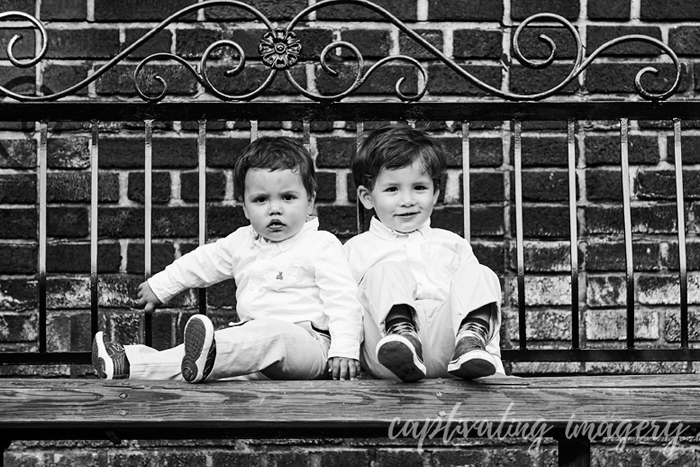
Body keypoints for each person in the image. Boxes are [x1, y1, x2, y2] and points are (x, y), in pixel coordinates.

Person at [92, 136, 363, 382]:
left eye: (288, 197)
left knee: (267, 334)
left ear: (310, 201)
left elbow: (343, 300)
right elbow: (203, 262)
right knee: (207, 352)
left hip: (308, 348)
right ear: (245, 208)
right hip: (252, 354)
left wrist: (345, 350)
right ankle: (129, 364)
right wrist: (161, 286)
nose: (275, 209)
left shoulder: (320, 244)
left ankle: (213, 353)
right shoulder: (241, 242)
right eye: (261, 200)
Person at [344, 124, 504, 382]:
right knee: (386, 271)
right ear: (367, 197)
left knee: (481, 275)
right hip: (389, 356)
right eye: (392, 189)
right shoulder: (356, 250)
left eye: (419, 188)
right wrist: (346, 354)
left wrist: (496, 370)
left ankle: (471, 344)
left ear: (436, 193)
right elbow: (345, 310)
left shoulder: (453, 245)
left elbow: (480, 303)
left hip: (450, 353)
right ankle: (402, 334)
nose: (407, 200)